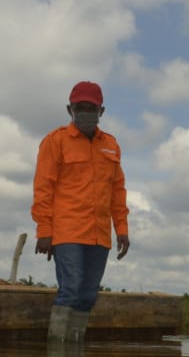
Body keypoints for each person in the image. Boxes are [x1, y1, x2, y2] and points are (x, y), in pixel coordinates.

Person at [32, 81, 130, 340]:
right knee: (71, 289)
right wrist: (44, 230)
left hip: (99, 234)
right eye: (80, 107)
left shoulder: (111, 144)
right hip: (67, 232)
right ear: (70, 109)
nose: (86, 112)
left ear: (102, 111)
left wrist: (121, 228)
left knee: (88, 295)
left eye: (91, 108)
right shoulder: (55, 141)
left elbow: (117, 190)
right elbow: (43, 188)